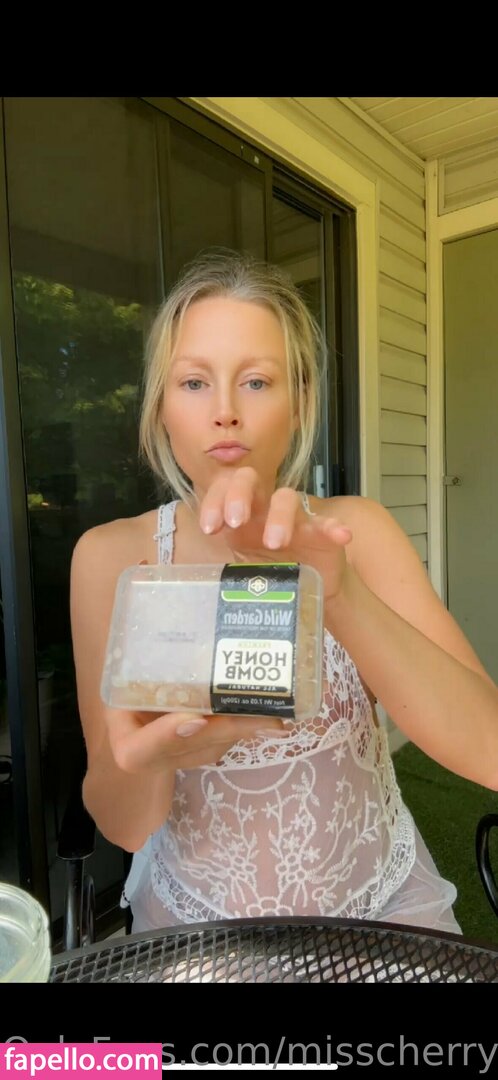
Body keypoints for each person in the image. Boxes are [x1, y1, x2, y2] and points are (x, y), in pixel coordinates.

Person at [70, 249, 498, 936]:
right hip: (194, 930)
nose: (225, 412)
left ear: (299, 403)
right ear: (161, 408)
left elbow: (489, 749)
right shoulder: (112, 559)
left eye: (257, 381)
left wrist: (343, 596)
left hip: (379, 913)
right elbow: (122, 826)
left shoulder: (357, 533)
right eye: (194, 382)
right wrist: (158, 758)